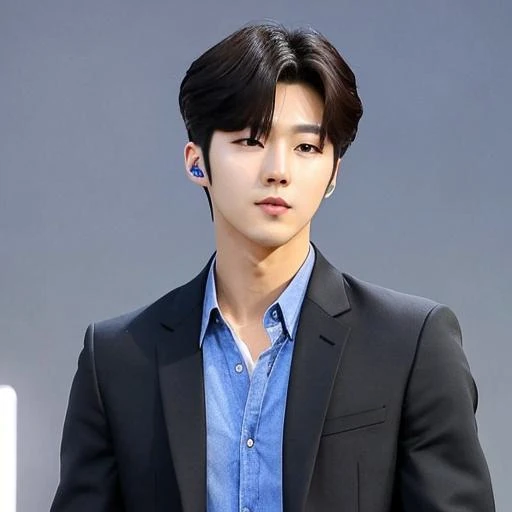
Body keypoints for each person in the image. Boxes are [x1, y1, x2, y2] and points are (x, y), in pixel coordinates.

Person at [51, 22, 495, 512]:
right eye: (250, 140)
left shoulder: (410, 345)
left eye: (306, 147)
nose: (278, 170)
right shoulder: (117, 360)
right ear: (197, 162)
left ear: (333, 173)